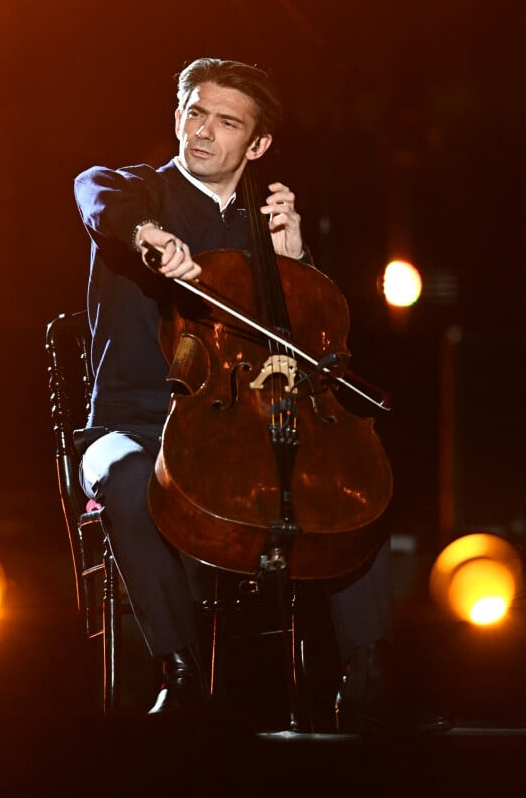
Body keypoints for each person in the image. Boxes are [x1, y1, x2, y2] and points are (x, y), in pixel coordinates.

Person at [73, 57, 394, 731]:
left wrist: (295, 263)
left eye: (226, 122)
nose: (201, 132)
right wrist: (146, 236)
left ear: (259, 144)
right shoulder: (137, 196)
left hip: (239, 433)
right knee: (128, 479)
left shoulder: (265, 223)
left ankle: (367, 679)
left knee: (351, 487)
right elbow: (92, 189)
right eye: (194, 111)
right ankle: (182, 675)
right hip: (133, 422)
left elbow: (317, 356)